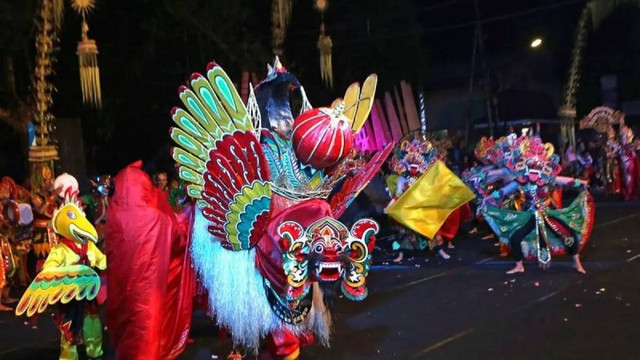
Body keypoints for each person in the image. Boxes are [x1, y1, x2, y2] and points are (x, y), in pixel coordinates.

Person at [105, 161, 194, 360]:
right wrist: (191, 215)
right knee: (146, 336)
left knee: (128, 337)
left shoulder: (113, 217)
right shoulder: (157, 217)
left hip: (121, 293)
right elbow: (179, 239)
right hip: (148, 294)